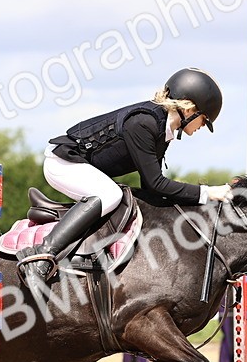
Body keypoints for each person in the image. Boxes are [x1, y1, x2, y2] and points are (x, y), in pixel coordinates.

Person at [17, 67, 235, 286]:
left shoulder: (161, 128)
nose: (201, 128)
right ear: (190, 109)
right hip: (64, 162)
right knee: (110, 194)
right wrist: (208, 192)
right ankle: (42, 256)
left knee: (124, 197)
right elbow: (156, 183)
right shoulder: (143, 123)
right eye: (203, 121)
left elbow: (151, 191)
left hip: (77, 164)